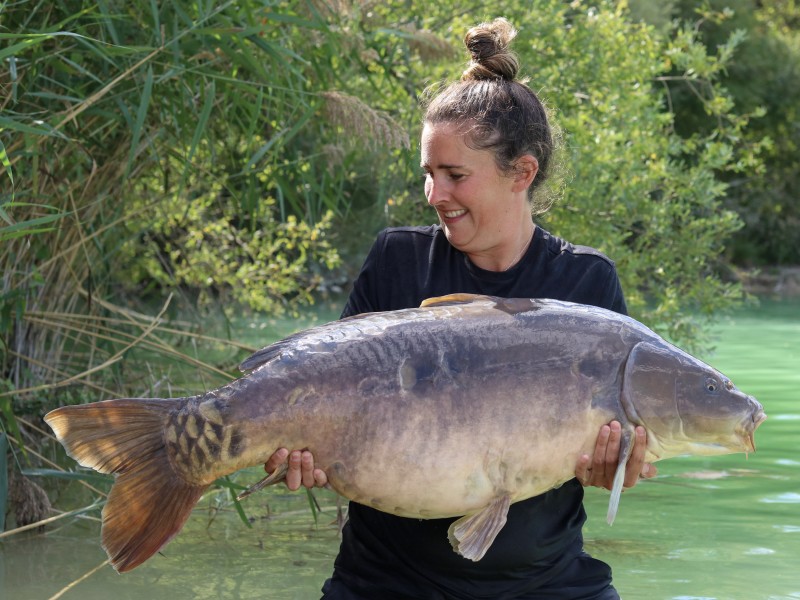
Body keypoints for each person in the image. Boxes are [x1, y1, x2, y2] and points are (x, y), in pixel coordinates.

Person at [265, 18, 656, 599]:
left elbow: (619, 453)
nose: (434, 195)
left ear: (521, 172)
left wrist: (618, 468)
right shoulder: (397, 260)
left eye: (454, 175)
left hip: (545, 585)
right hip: (383, 582)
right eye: (429, 174)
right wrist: (295, 452)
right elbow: (325, 397)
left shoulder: (584, 282)